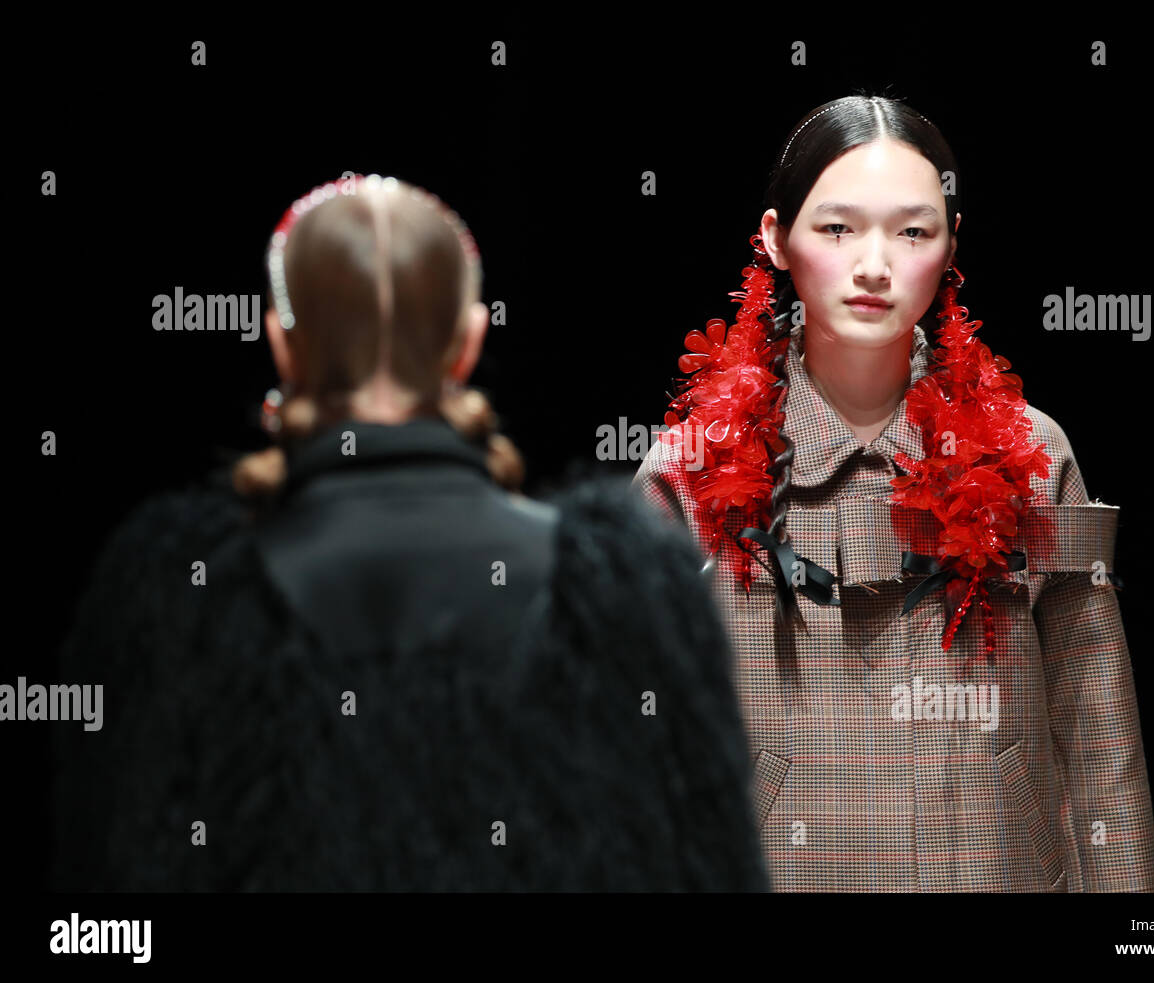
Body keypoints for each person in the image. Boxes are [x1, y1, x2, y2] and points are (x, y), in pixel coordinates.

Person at [50, 173, 768, 892]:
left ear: (281, 343)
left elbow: (103, 912)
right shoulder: (627, 594)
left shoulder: (175, 602)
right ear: (469, 340)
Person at [633, 94, 1154, 892]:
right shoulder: (693, 468)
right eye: (837, 228)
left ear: (952, 245)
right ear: (776, 239)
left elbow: (1096, 730)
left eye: (913, 230)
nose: (873, 263)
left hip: (991, 868)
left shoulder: (1029, 451)